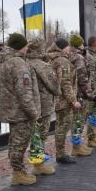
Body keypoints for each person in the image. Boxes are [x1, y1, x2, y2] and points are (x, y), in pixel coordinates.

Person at [0, 33, 41, 184]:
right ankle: (18, 173)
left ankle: (19, 170)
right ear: (19, 46)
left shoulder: (6, 61)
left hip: (13, 109)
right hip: (21, 111)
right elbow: (24, 91)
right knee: (20, 143)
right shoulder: (18, 63)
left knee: (15, 141)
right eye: (25, 45)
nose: (28, 47)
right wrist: (33, 112)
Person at [49, 38, 89, 160]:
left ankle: (61, 153)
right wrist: (73, 100)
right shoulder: (62, 61)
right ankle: (61, 155)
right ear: (62, 48)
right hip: (64, 100)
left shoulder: (55, 59)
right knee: (63, 127)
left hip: (59, 99)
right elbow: (65, 83)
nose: (69, 48)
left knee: (61, 127)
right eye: (67, 46)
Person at [26, 39, 60, 175]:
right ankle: (38, 165)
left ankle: (37, 161)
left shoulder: (25, 63)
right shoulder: (42, 66)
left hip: (31, 104)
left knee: (34, 134)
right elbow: (54, 86)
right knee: (41, 134)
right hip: (43, 104)